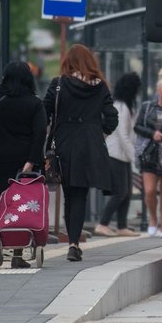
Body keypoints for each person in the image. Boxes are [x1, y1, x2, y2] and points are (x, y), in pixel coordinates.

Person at [43, 44, 119, 262]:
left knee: (69, 193)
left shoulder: (58, 85)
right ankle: (75, 243)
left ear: (68, 61)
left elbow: (45, 111)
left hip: (64, 143)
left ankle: (73, 242)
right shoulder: (100, 87)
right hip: (90, 144)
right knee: (81, 195)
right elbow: (112, 118)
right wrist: (98, 133)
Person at [0, 61, 47, 269]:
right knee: (19, 206)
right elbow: (39, 133)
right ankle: (17, 253)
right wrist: (31, 160)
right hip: (23, 165)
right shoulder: (34, 104)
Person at [95, 72, 141, 238]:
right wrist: (135, 156)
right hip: (115, 154)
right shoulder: (121, 107)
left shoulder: (127, 106)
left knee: (126, 192)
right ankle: (103, 224)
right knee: (119, 192)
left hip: (123, 156)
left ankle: (122, 226)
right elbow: (122, 135)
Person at [134, 74, 162, 237]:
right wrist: (152, 133)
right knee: (150, 191)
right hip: (149, 153)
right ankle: (153, 220)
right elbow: (137, 127)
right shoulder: (147, 107)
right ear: (158, 90)